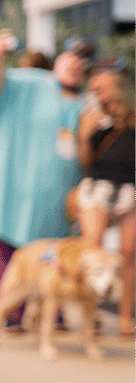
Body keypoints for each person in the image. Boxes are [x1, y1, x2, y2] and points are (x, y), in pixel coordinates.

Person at [0, 30, 93, 295]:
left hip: (53, 209)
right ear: (60, 58)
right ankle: (12, 316)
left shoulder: (86, 105)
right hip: (5, 194)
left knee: (51, 261)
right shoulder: (30, 82)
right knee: (8, 263)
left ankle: (50, 315)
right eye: (71, 56)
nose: (75, 64)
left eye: (82, 61)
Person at [76, 61, 135, 335]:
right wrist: (85, 137)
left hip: (130, 187)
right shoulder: (91, 116)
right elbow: (86, 163)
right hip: (98, 184)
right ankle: (92, 315)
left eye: (101, 87)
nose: (97, 93)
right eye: (94, 89)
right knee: (92, 247)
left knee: (129, 252)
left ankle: (125, 318)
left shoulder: (132, 114)